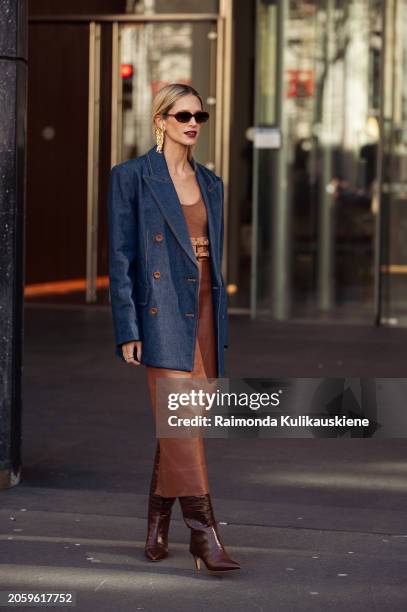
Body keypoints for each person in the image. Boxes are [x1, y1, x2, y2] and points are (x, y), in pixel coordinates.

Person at [107, 83, 240, 573]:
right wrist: (127, 325)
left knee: (184, 419)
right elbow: (120, 257)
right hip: (160, 307)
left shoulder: (211, 183)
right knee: (182, 417)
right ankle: (204, 533)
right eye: (182, 115)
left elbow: (214, 256)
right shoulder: (131, 177)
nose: (192, 123)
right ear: (160, 120)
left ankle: (157, 520)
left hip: (204, 304)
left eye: (199, 116)